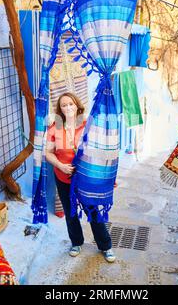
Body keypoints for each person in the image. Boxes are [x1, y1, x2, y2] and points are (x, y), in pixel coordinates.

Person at [45, 92, 116, 263]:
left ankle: (105, 246)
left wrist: (106, 177)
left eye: (71, 104)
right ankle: (76, 243)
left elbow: (101, 151)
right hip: (63, 178)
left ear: (77, 105)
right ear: (60, 109)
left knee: (92, 211)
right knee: (70, 213)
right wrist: (60, 165)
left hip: (85, 178)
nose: (68, 107)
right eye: (64, 105)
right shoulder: (55, 128)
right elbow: (48, 152)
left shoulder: (87, 125)